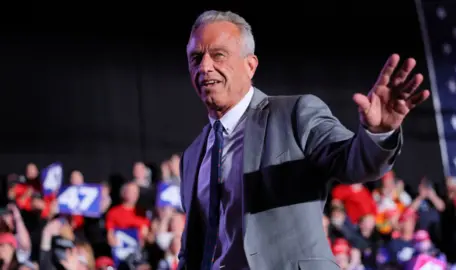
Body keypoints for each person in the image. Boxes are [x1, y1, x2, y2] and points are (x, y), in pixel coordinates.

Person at [178, 10, 430, 270]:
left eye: (218, 54)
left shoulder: (294, 114)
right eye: (195, 57)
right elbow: (193, 250)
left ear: (250, 65)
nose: (204, 66)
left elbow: (354, 161)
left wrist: (379, 132)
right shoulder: (192, 155)